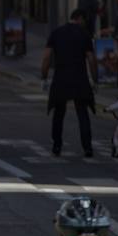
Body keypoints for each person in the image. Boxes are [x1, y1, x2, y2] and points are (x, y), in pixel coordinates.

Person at [41, 9, 96, 157]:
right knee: (82, 113)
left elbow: (46, 57)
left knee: (59, 113)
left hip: (61, 78)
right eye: (84, 21)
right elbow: (91, 58)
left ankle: (57, 145)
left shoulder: (57, 32)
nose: (84, 24)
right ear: (79, 18)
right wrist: (95, 79)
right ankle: (87, 147)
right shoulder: (84, 35)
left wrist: (44, 77)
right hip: (80, 78)